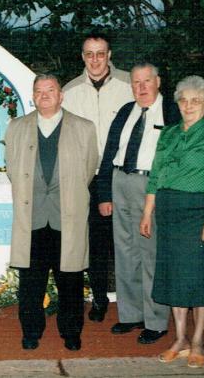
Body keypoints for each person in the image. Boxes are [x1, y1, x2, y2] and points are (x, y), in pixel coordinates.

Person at [140, 76, 204, 368]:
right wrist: (147, 212)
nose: (189, 105)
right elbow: (155, 176)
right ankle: (180, 339)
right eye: (184, 100)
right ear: (177, 103)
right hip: (168, 214)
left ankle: (197, 341)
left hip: (199, 213)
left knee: (199, 279)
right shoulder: (167, 134)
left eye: (196, 100)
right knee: (173, 278)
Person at [5, 74, 98, 351]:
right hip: (31, 216)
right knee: (31, 283)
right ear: (33, 96)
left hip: (66, 217)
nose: (44, 95)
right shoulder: (16, 127)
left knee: (69, 280)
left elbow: (89, 170)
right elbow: (12, 169)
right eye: (38, 91)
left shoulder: (84, 128)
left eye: (50, 90)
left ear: (61, 95)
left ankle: (71, 332)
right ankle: (31, 332)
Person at [97, 64, 179, 344]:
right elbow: (110, 152)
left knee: (150, 252)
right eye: (136, 82)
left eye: (146, 81)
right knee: (125, 251)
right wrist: (104, 194)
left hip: (151, 187)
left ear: (158, 81)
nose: (141, 87)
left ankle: (156, 320)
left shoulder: (172, 112)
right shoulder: (125, 112)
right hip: (120, 181)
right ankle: (131, 315)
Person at [62, 33, 133, 322]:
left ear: (110, 55)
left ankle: (135, 304)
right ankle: (100, 299)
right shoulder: (70, 91)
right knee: (97, 243)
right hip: (89, 179)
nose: (95, 60)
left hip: (124, 175)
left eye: (100, 53)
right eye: (89, 54)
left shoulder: (130, 86)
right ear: (82, 57)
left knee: (128, 241)